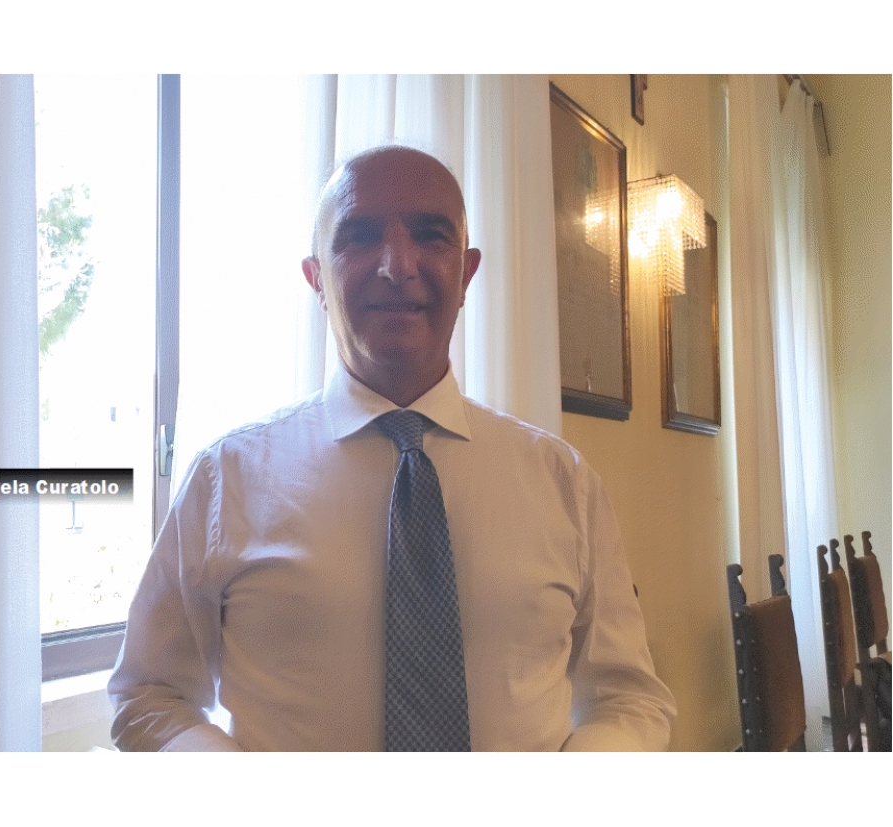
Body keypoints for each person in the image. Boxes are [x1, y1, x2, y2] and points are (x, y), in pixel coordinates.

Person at [108, 145, 676, 751]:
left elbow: (630, 698)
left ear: (466, 273)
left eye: (431, 235)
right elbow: (149, 695)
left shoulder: (563, 481)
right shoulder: (227, 480)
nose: (398, 264)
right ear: (316, 278)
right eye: (360, 235)